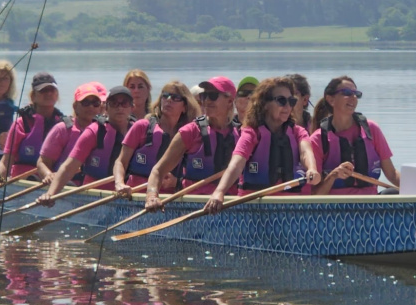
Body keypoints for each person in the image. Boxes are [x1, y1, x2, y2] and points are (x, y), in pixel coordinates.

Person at [204, 77, 321, 214]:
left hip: (291, 209)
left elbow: (305, 152)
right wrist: (219, 192)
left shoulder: (298, 132)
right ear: (265, 104)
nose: (288, 106)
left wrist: (312, 169)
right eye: (281, 101)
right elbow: (236, 164)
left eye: (291, 101)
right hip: (255, 209)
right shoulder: (252, 133)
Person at [145, 77, 239, 212]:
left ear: (230, 101)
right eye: (204, 96)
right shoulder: (190, 131)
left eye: (212, 96)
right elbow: (158, 170)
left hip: (231, 205)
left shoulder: (241, 134)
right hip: (195, 206)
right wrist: (152, 195)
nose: (206, 101)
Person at [36, 86, 134, 205]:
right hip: (94, 196)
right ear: (106, 107)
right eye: (114, 103)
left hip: (129, 193)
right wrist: (51, 194)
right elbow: (68, 167)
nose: (119, 107)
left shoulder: (139, 130)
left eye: (124, 103)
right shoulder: (94, 131)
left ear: (131, 107)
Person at [309, 76, 400, 195]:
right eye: (347, 93)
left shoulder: (372, 129)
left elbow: (392, 174)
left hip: (371, 203)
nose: (354, 98)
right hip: (336, 207)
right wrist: (333, 176)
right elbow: (314, 195)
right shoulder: (318, 139)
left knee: (394, 192)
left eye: (356, 94)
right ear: (331, 100)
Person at [114, 81, 200, 198]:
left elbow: (194, 174)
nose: (168, 100)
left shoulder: (189, 134)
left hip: (169, 199)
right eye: (165, 96)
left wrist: (176, 182)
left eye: (175, 98)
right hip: (136, 195)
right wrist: (119, 183)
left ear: (185, 107)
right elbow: (121, 162)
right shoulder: (142, 126)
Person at [0, 72, 64, 180]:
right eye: (43, 90)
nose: (49, 94)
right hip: (23, 179)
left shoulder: (63, 125)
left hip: (52, 180)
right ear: (33, 96)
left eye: (52, 90)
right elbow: (5, 162)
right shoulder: (21, 124)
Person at [37, 82, 107, 186]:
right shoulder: (62, 130)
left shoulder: (106, 131)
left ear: (100, 107)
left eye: (95, 103)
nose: (91, 107)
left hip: (94, 186)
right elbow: (42, 162)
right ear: (75, 106)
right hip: (66, 186)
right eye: (85, 102)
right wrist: (48, 175)